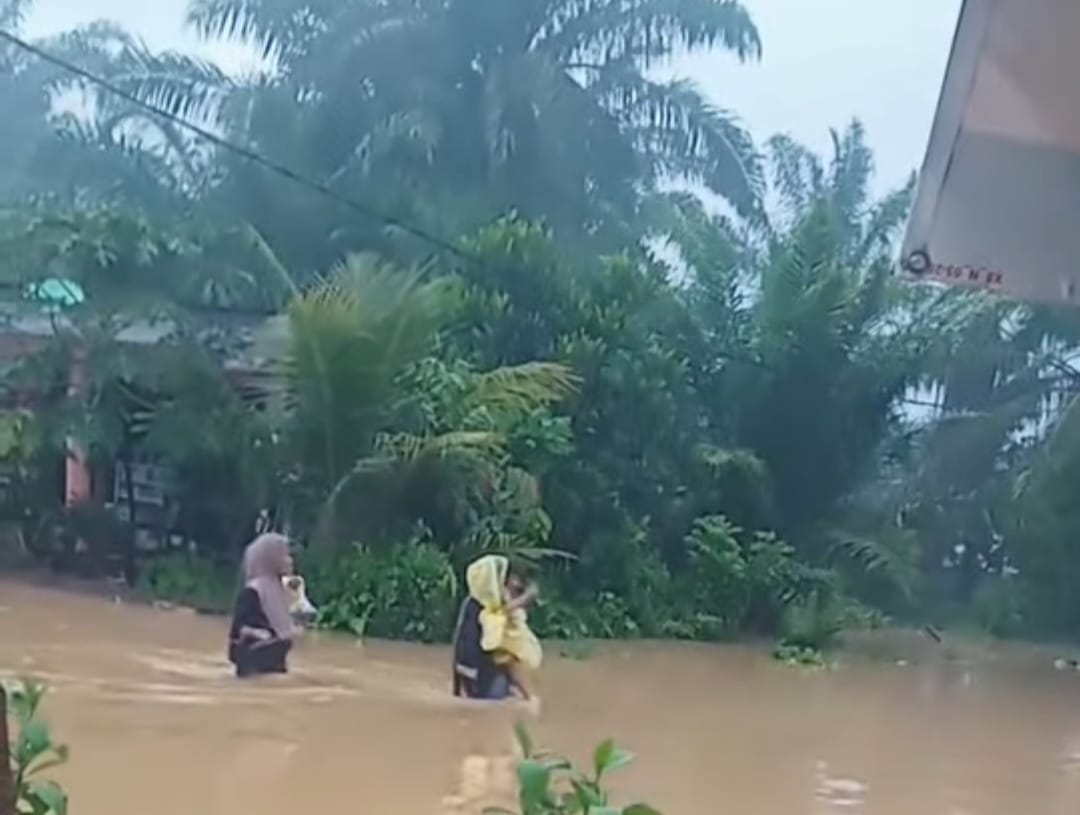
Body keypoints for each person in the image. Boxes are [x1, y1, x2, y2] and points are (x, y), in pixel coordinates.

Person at [451, 554, 542, 700]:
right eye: (512, 578)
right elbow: (507, 658)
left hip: (471, 678)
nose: (517, 584)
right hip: (480, 683)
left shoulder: (475, 602)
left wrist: (456, 691)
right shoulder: (493, 614)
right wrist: (530, 697)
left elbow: (459, 645)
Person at [228, 533, 297, 679]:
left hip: (275, 672)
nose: (290, 561)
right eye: (285, 556)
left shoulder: (280, 592)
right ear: (270, 558)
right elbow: (237, 631)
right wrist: (256, 633)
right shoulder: (252, 591)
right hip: (253, 674)